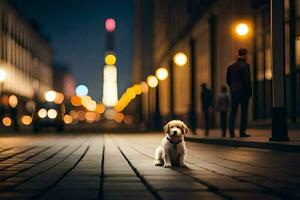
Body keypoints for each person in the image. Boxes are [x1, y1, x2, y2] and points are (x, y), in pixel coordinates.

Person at [226, 48, 252, 137]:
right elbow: (247, 80)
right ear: (245, 55)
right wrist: (249, 92)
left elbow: (228, 80)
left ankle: (231, 132)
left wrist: (233, 87)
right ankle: (242, 132)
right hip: (244, 92)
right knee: (244, 112)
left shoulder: (231, 67)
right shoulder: (246, 66)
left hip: (234, 92)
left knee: (233, 111)